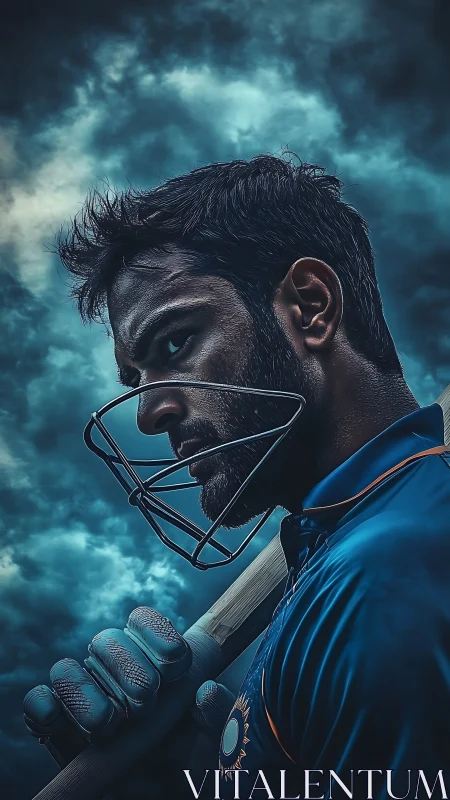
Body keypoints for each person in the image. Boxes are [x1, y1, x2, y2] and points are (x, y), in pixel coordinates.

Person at [23, 156, 450, 799]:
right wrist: (202, 778)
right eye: (136, 378)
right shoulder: (346, 549)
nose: (148, 412)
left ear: (309, 308)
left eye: (173, 344)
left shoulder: (380, 573)